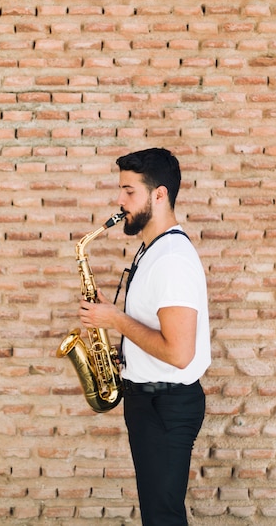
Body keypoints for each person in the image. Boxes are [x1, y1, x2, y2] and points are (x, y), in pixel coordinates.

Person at [78, 147, 211, 526]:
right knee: (158, 514)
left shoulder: (171, 259)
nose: (119, 201)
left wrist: (116, 321)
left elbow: (180, 352)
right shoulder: (151, 250)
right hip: (152, 402)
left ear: (159, 194)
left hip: (166, 407)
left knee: (163, 517)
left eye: (129, 191)